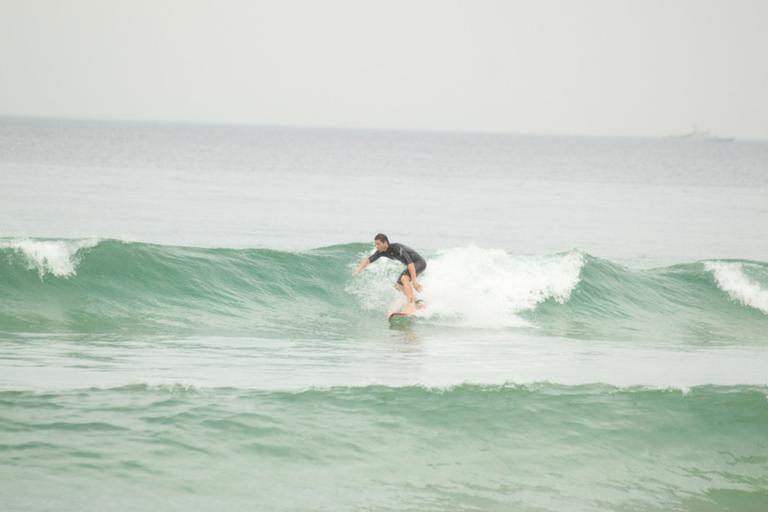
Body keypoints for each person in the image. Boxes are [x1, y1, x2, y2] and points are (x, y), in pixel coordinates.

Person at [353, 233, 427, 314]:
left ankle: (410, 305)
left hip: (419, 263)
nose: (376, 246)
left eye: (378, 244)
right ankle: (417, 302)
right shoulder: (381, 252)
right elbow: (368, 260)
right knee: (398, 286)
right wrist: (359, 269)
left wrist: (414, 281)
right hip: (412, 265)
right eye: (375, 244)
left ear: (385, 243)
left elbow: (410, 264)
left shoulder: (397, 248)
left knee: (404, 278)